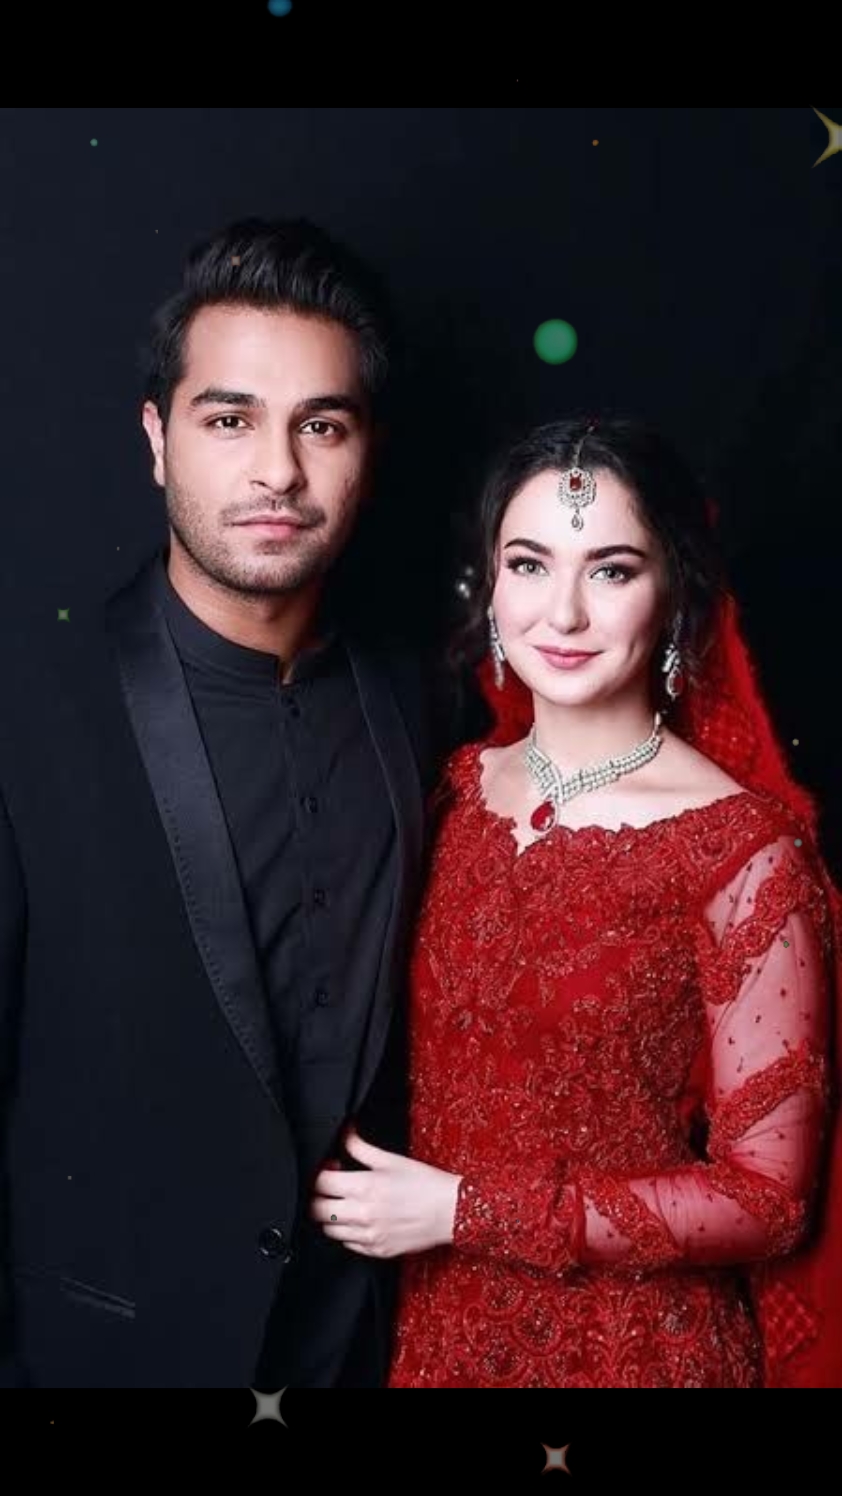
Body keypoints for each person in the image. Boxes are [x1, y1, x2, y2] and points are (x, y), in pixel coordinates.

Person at [0, 216, 454, 1388]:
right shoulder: (28, 715)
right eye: (229, 419)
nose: (277, 472)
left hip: (366, 1347)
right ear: (157, 438)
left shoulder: (428, 702)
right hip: (105, 1354)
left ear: (368, 450)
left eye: (321, 424)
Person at [310, 413, 842, 1388]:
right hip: (431, 1334)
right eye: (529, 564)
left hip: (633, 1347)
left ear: (673, 591)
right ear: (490, 582)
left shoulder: (741, 849)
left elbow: (768, 1200)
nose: (562, 614)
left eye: (610, 570)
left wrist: (464, 1210)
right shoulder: (445, 791)